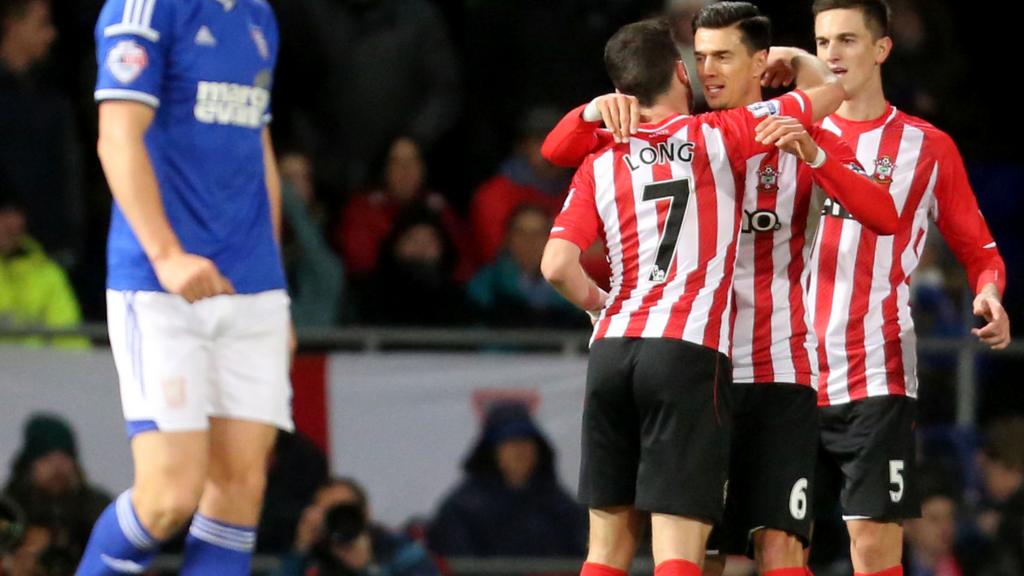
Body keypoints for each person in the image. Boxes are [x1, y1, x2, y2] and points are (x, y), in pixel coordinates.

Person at [541, 3, 898, 574]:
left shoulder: (789, 134)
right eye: (699, 55)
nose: (708, 69)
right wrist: (589, 113)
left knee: (778, 544)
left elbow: (882, 213)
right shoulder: (704, 136)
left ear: (760, 61)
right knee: (700, 550)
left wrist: (815, 151)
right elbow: (558, 151)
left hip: (774, 363)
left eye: (723, 56)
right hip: (701, 364)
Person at [76, 0, 293, 574]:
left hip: (250, 286)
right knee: (168, 499)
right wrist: (168, 255)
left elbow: (258, 147)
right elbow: (116, 135)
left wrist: (275, 291)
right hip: (159, 286)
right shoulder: (143, 8)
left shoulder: (257, 15)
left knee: (240, 491)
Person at [809, 3, 1009, 575]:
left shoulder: (926, 146)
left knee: (873, 545)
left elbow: (981, 250)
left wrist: (989, 293)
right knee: (773, 540)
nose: (833, 54)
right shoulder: (790, 133)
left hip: (876, 368)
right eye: (823, 42)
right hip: (786, 364)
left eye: (848, 39)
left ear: (882, 49)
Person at [428, 401, 586, 557]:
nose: (520, 451)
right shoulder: (461, 509)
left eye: (526, 442)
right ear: (491, 451)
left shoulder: (560, 507)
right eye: (510, 443)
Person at [273, 478, 439, 576]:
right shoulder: (313, 555)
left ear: (364, 513)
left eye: (344, 511)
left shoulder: (398, 550)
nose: (338, 520)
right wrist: (300, 548)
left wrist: (366, 568)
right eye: (328, 512)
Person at [2, 414, 110, 559]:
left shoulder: (95, 507)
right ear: (31, 464)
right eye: (47, 459)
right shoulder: (9, 508)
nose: (57, 468)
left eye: (64, 459)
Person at [467, 205, 580, 328]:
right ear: (508, 239)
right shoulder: (485, 286)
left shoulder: (575, 288)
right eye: (520, 233)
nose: (530, 241)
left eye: (538, 234)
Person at [0, 195, 88, 348]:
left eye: (12, 212)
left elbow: (70, 342)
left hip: (36, 368)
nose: (7, 223)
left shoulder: (48, 273)